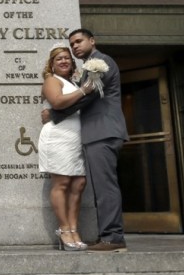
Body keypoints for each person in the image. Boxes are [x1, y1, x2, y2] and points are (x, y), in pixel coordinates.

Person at [44, 29, 129, 252]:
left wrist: (54, 114)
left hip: (103, 131)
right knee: (101, 186)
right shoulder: (86, 67)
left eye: (79, 41)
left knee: (105, 187)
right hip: (94, 134)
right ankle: (109, 235)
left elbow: (89, 96)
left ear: (92, 41)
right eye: (72, 44)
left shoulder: (100, 61)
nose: (75, 47)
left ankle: (112, 238)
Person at [37, 44, 93, 251]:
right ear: (51, 64)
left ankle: (74, 228)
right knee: (61, 184)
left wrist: (81, 88)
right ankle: (64, 230)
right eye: (58, 58)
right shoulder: (52, 80)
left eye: (66, 58)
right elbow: (58, 102)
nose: (63, 61)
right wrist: (83, 91)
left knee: (78, 183)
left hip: (75, 138)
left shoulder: (74, 82)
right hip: (58, 137)